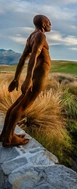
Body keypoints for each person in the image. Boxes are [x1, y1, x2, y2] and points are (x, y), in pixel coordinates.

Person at [0, 14, 51, 147]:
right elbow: (33, 56)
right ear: (43, 24)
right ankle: (9, 139)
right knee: (22, 106)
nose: (50, 24)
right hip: (38, 77)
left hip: (35, 76)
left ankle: (5, 134)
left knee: (17, 104)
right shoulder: (41, 35)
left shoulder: (31, 37)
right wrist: (28, 79)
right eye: (48, 22)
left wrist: (16, 79)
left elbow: (23, 59)